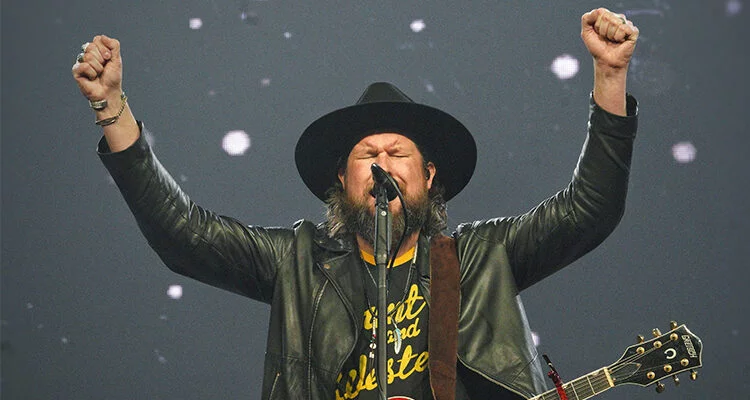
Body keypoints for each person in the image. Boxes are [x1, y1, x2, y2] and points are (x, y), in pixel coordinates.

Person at [72, 7, 639, 400]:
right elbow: (182, 234)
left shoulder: (482, 257)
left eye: (398, 153)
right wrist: (112, 109)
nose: (382, 164)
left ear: (429, 176)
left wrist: (610, 76)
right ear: (342, 182)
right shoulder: (298, 262)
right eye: (367, 155)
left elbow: (588, 209)